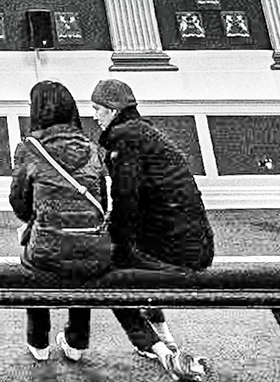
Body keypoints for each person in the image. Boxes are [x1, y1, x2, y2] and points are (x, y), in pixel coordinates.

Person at [84, 79, 213, 381]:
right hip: (197, 244)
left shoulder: (124, 141)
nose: (94, 116)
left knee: (107, 274)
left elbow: (126, 201)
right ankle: (164, 336)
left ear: (113, 110)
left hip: (174, 252)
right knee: (128, 256)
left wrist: (109, 241)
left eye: (98, 109)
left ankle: (159, 348)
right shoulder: (147, 134)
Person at [11, 80, 111, 364]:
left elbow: (19, 202)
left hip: (47, 250)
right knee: (82, 250)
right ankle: (77, 340)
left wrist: (35, 219)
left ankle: (38, 340)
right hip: (94, 251)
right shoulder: (92, 149)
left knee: (33, 255)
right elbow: (101, 204)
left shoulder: (29, 149)